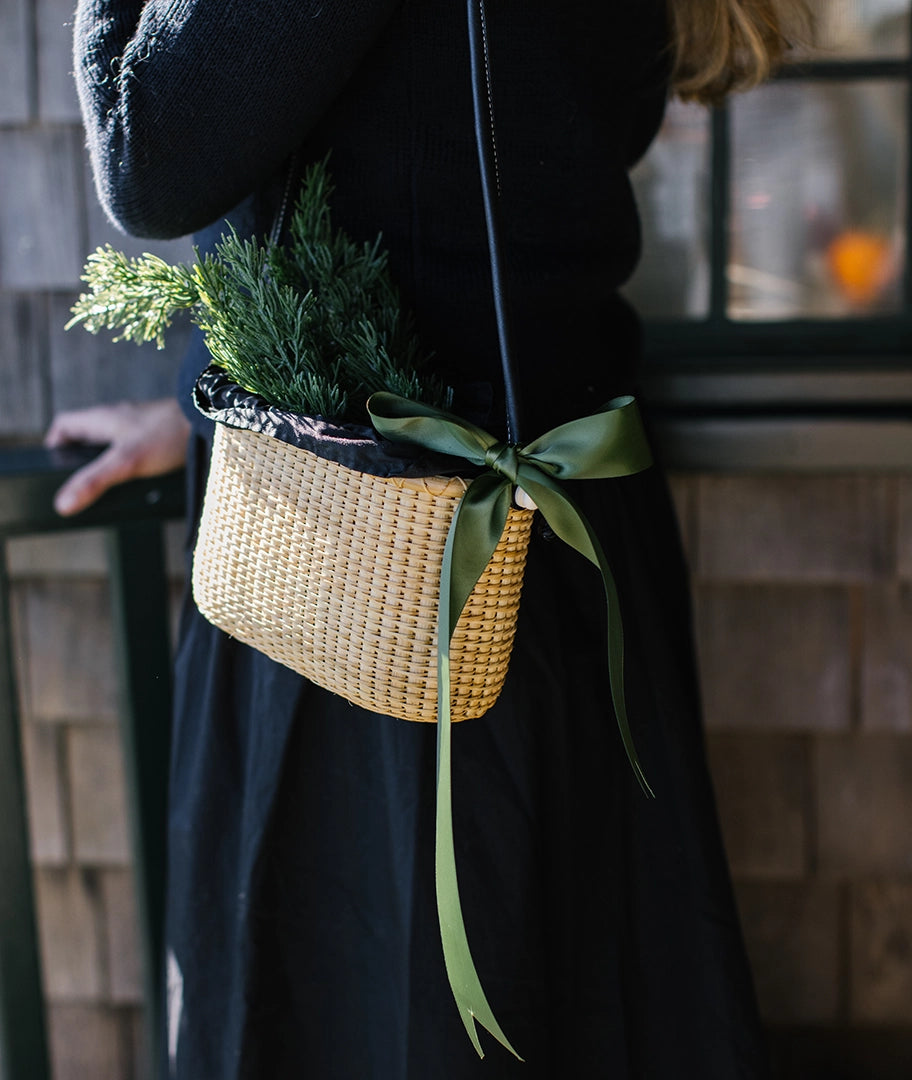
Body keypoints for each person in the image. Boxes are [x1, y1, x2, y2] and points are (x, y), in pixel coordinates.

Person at [50, 2, 806, 1076]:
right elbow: (457, 157)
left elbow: (149, 151)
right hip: (555, 527)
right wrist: (193, 405)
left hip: (390, 578)